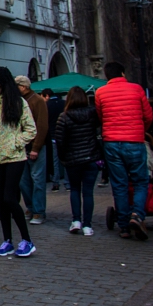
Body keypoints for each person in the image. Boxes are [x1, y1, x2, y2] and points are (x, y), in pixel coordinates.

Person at [0, 67, 38, 257]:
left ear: (0, 82)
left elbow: (30, 129)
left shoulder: (18, 103)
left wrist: (15, 143)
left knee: (10, 198)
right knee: (1, 201)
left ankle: (27, 240)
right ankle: (7, 241)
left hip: (14, 158)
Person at [94, 62, 153, 240]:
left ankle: (124, 226)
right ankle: (137, 215)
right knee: (140, 181)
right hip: (134, 140)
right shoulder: (136, 89)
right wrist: (142, 130)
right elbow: (148, 115)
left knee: (119, 184)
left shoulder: (100, 92)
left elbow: (101, 116)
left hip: (112, 142)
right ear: (122, 72)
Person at [52, 86, 102, 236]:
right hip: (91, 157)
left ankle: (76, 221)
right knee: (88, 193)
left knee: (75, 189)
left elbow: (60, 140)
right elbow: (98, 133)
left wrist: (63, 158)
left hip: (73, 159)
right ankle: (87, 225)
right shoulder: (93, 114)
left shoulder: (64, 117)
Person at [14, 75, 49, 225]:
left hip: (35, 146)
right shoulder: (18, 101)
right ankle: (30, 207)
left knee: (37, 179)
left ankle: (39, 211)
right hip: (21, 147)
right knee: (24, 181)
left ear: (23, 87)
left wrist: (36, 147)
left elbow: (42, 126)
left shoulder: (37, 101)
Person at [43, 89, 68, 191]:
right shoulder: (64, 103)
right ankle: (68, 183)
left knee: (55, 161)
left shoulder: (47, 105)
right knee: (66, 160)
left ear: (47, 96)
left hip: (52, 136)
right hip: (64, 135)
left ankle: (56, 183)